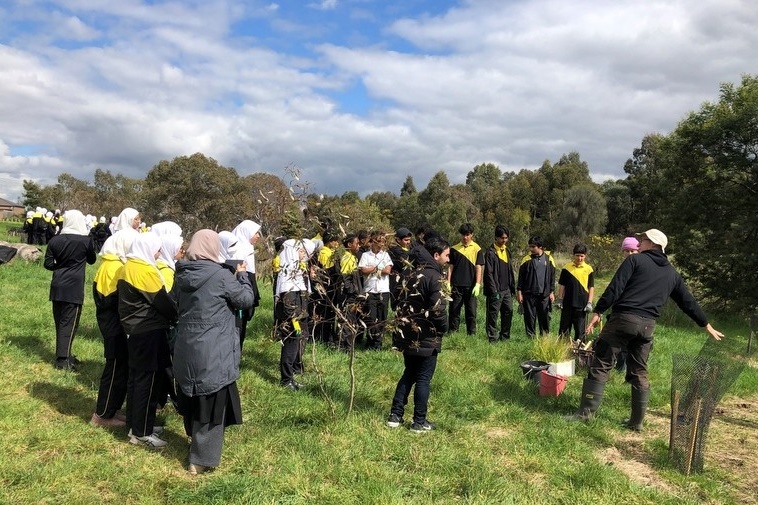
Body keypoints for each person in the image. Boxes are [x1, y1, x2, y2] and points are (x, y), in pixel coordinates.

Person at [568, 229, 724, 432]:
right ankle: (636, 422)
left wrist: (599, 311)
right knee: (639, 370)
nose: (639, 243)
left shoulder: (634, 261)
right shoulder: (671, 274)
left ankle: (585, 414)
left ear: (652, 243)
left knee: (602, 362)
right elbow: (688, 302)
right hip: (647, 326)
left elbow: (615, 287)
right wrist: (705, 324)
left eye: (642, 240)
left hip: (623, 320)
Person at [173, 230, 254, 475]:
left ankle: (193, 443)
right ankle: (201, 459)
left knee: (192, 395)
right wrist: (242, 276)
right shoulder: (221, 276)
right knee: (211, 401)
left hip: (186, 345)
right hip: (214, 347)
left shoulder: (182, 273)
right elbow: (245, 300)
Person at [118, 233, 177, 448]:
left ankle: (136, 423)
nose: (159, 253)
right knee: (148, 382)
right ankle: (142, 433)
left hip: (134, 330)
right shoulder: (144, 271)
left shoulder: (128, 265)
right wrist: (176, 314)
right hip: (148, 330)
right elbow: (163, 302)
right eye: (157, 249)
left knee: (135, 379)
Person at [387, 236, 450, 433]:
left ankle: (395, 416)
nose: (448, 259)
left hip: (406, 333)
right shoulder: (435, 277)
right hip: (426, 336)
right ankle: (419, 421)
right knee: (423, 378)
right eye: (447, 255)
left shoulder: (408, 273)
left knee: (409, 373)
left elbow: (397, 302)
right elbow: (438, 310)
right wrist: (443, 327)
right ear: (436, 255)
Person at [44, 210, 97, 370]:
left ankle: (65, 354)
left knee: (60, 322)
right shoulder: (85, 241)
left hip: (57, 284)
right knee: (70, 323)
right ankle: (62, 360)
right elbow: (92, 260)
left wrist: (59, 266)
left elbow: (47, 263)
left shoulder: (55, 240)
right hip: (74, 286)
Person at [91, 230, 130, 427]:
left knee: (120, 368)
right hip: (115, 328)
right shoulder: (114, 267)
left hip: (113, 326)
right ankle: (102, 415)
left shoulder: (109, 264)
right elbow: (109, 301)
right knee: (114, 369)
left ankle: (111, 410)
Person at [275, 238, 317, 390]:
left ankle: (290, 377)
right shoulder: (287, 274)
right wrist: (294, 320)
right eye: (300, 251)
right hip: (292, 319)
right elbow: (288, 302)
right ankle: (286, 379)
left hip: (299, 316)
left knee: (294, 346)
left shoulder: (297, 270)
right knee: (290, 347)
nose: (303, 254)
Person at [358, 231, 393, 350]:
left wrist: (372, 269)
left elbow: (388, 270)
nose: (380, 246)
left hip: (383, 290)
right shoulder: (365, 255)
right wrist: (377, 269)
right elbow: (363, 270)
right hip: (370, 290)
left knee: (382, 316)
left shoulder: (385, 255)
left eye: (382, 243)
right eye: (378, 243)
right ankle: (371, 341)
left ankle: (378, 342)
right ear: (372, 242)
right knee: (371, 317)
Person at [447, 223, 484, 335]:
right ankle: (453, 333)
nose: (465, 237)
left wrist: (478, 284)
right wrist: (448, 282)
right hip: (456, 285)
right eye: (463, 235)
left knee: (471, 312)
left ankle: (471, 334)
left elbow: (479, 267)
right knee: (454, 311)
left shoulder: (477, 249)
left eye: (467, 235)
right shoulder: (453, 249)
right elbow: (450, 267)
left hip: (471, 286)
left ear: (472, 235)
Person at [517, 236, 556, 338]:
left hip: (544, 294)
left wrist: (551, 292)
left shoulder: (549, 259)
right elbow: (520, 279)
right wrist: (519, 293)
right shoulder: (526, 260)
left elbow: (552, 277)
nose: (530, 249)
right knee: (530, 317)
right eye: (530, 246)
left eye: (533, 246)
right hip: (529, 294)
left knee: (544, 317)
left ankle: (544, 337)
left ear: (540, 247)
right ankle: (531, 337)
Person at [231, 220, 262, 348]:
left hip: (246, 296)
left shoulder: (248, 248)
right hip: (238, 300)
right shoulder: (236, 250)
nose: (258, 236)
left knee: (242, 330)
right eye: (256, 233)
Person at [482, 225, 515, 342]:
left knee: (509, 311)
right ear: (496, 238)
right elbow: (488, 274)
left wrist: (512, 288)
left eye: (506, 238)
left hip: (506, 290)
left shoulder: (507, 250)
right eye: (502, 238)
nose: (504, 240)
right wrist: (493, 291)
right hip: (496, 291)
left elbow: (510, 270)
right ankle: (492, 338)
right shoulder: (490, 253)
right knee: (493, 315)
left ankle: (505, 337)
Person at [557, 244, 595, 343]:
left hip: (581, 305)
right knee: (564, 330)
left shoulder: (589, 269)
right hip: (567, 303)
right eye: (577, 255)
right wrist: (560, 300)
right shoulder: (566, 268)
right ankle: (562, 349)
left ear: (585, 256)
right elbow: (562, 285)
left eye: (582, 256)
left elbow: (591, 287)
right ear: (573, 255)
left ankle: (579, 351)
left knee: (580, 331)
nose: (579, 258)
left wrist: (589, 303)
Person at [387, 227, 413, 311]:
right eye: (406, 240)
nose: (408, 242)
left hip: (406, 279)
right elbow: (405, 260)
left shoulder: (407, 249)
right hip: (396, 280)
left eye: (409, 240)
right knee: (398, 302)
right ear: (398, 240)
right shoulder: (395, 250)